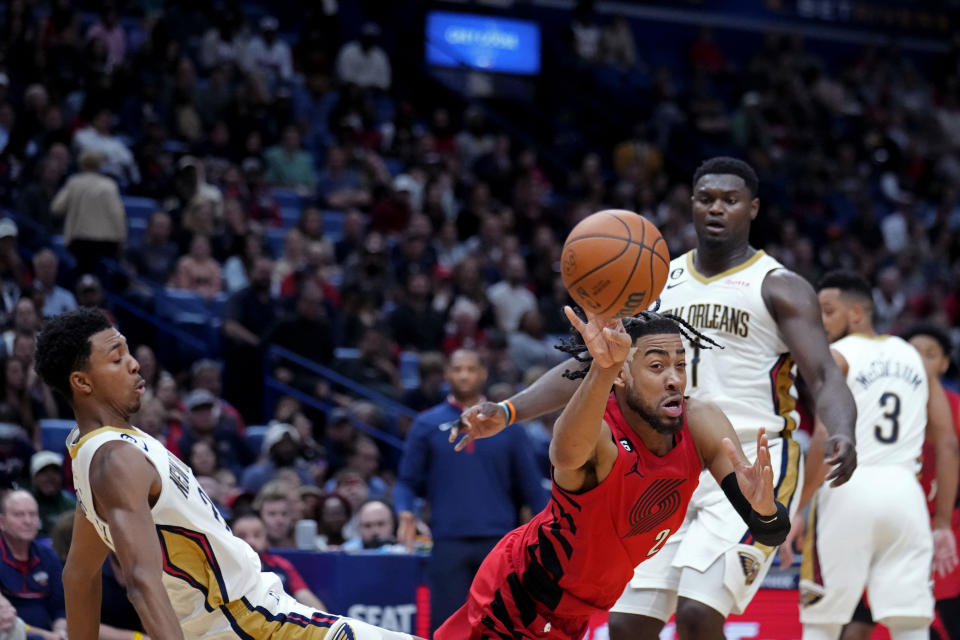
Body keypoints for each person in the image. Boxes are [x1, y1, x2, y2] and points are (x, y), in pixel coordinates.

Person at [453, 156, 858, 639]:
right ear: (690, 204)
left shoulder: (779, 286)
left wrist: (843, 432)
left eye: (729, 200)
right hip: (665, 466)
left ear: (752, 208)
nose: (716, 209)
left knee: (697, 616)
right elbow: (597, 361)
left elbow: (824, 375)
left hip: (746, 459)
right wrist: (509, 409)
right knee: (627, 626)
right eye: (705, 199)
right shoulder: (653, 280)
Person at [33, 308, 423, 640]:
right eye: (116, 358)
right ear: (81, 382)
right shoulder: (116, 459)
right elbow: (140, 582)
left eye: (128, 352)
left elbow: (80, 575)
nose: (134, 363)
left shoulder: (93, 455)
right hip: (254, 622)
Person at [436, 307, 790, 639]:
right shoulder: (600, 434)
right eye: (656, 367)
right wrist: (601, 369)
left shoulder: (699, 422)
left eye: (680, 365)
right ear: (621, 374)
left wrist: (764, 510)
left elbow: (770, 533)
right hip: (520, 595)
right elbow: (564, 451)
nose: (674, 380)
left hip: (575, 612)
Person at [782, 273, 960, 640]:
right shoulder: (913, 356)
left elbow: (823, 437)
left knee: (823, 621)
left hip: (849, 489)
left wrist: (797, 508)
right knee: (910, 622)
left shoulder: (835, 357)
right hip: (905, 496)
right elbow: (948, 444)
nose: (821, 323)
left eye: (828, 312)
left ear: (858, 313)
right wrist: (942, 522)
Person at [394, 349, 547, 633]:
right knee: (447, 628)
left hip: (499, 544)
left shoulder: (509, 427)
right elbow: (406, 481)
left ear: (483, 374)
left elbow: (532, 489)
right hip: (447, 541)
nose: (464, 375)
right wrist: (404, 511)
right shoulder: (426, 424)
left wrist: (545, 538)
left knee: (502, 627)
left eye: (470, 369)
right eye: (457, 369)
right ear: (447, 374)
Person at [0, 490, 66, 640]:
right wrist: (48, 636)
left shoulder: (49, 556)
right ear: (1, 522)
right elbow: (6, 620)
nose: (28, 521)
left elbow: (61, 608)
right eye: (19, 515)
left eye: (33, 514)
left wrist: (60, 630)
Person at [231, 514, 326, 610]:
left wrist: (327, 621)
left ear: (266, 539)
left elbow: (304, 596)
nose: (251, 541)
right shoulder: (225, 568)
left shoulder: (281, 565)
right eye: (242, 536)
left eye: (257, 535)